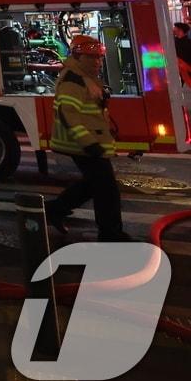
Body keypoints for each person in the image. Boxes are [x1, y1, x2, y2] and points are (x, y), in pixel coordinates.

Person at [47, 34, 129, 241]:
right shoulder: (73, 81)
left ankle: (55, 209)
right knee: (107, 191)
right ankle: (111, 235)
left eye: (99, 58)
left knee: (95, 185)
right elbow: (69, 115)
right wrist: (90, 144)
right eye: (92, 57)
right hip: (83, 145)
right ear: (78, 57)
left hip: (88, 143)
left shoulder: (83, 77)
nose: (98, 62)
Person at [173, 22, 191, 87]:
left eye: (175, 28)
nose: (173, 29)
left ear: (180, 30)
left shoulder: (177, 43)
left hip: (186, 72)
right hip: (183, 72)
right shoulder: (176, 41)